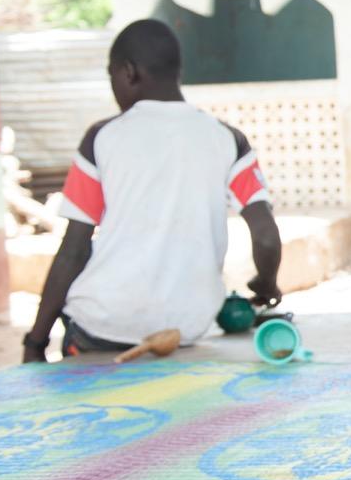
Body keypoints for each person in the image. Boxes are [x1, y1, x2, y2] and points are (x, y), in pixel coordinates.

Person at [22, 19, 282, 361]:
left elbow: (74, 249)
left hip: (101, 326)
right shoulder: (228, 139)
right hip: (182, 331)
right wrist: (266, 284)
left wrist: (35, 341)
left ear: (128, 72)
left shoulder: (101, 138)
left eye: (110, 75)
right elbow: (265, 236)